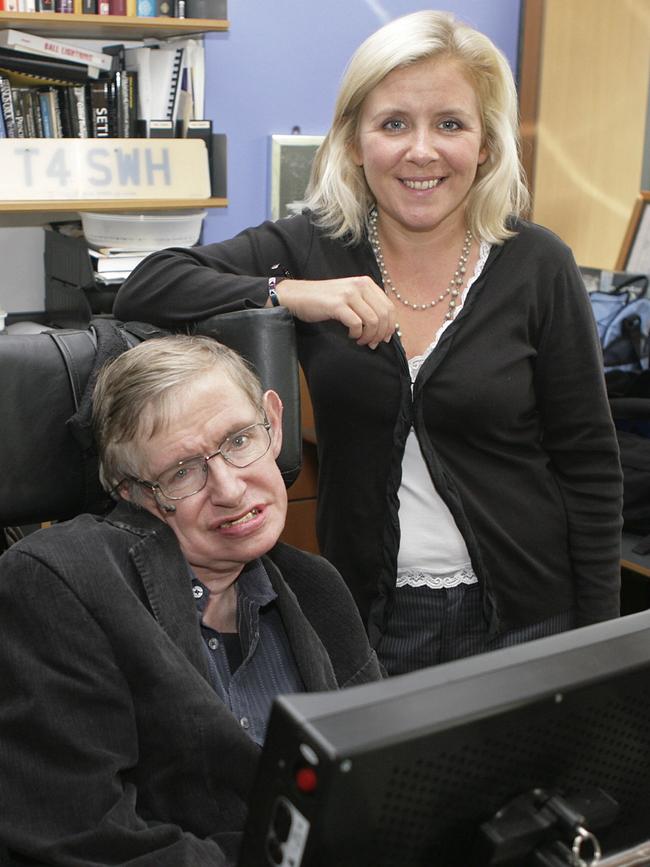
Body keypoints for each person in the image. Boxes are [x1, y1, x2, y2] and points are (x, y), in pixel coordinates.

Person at [114, 10, 623, 675]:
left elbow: (589, 465)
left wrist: (603, 645)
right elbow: (148, 286)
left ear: (486, 145)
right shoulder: (311, 245)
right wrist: (291, 294)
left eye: (450, 123)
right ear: (355, 141)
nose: (421, 151)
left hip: (529, 617)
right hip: (372, 622)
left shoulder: (538, 266)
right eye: (393, 124)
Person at [0, 334, 381, 865]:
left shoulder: (316, 586)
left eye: (239, 440)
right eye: (182, 472)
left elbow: (374, 779)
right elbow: (84, 837)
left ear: (273, 422)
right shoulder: (63, 584)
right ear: (133, 494)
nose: (228, 488)